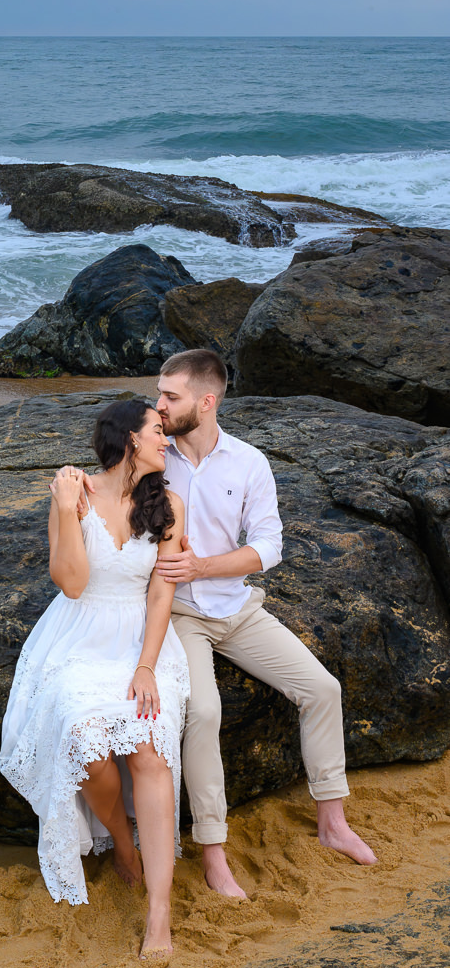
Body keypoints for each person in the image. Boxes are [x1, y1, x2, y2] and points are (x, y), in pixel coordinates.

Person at [153, 349, 377, 899]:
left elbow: (269, 546)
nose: (159, 405)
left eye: (171, 396)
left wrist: (204, 566)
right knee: (203, 711)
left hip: (237, 608)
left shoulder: (249, 462)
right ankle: (213, 851)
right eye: (159, 394)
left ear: (207, 401)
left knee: (322, 689)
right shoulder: (154, 455)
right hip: (178, 614)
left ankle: (333, 822)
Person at [0, 399, 190, 966]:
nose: (166, 440)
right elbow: (73, 583)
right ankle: (123, 843)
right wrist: (64, 510)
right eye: (157, 431)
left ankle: (159, 910)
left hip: (142, 641)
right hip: (79, 637)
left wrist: (146, 666)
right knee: (85, 738)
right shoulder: (75, 492)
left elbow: (162, 592)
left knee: (150, 749)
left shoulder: (169, 504)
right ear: (129, 439)